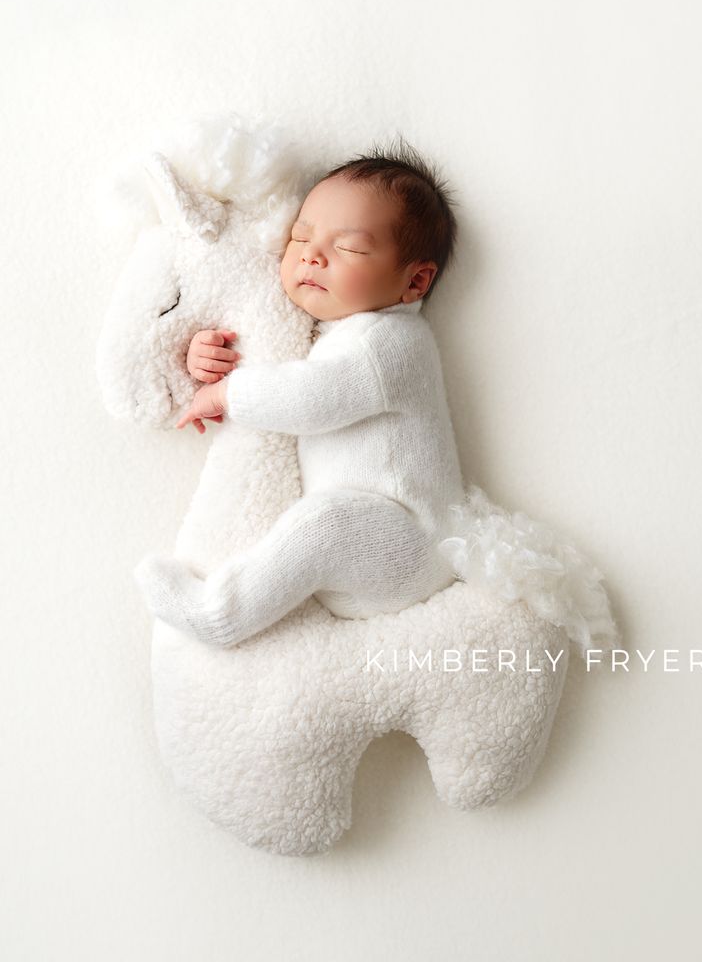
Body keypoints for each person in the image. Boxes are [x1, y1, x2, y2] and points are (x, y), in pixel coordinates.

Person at [133, 140, 466, 646]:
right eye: (300, 237)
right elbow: (268, 360)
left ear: (414, 280)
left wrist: (229, 394)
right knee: (324, 525)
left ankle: (219, 613)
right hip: (358, 561)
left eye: (348, 247)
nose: (311, 255)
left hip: (407, 545)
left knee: (325, 523)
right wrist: (211, 354)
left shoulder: (391, 343)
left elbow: (316, 397)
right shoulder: (332, 331)